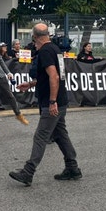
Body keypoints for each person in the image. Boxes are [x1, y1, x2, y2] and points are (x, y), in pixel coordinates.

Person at [9, 23, 81, 186]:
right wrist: (32, 84)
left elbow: (54, 77)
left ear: (34, 37)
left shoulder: (45, 51)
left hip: (52, 102)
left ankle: (28, 172)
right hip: (61, 100)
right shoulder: (55, 49)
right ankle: (72, 167)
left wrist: (52, 102)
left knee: (41, 135)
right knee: (60, 134)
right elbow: (51, 76)